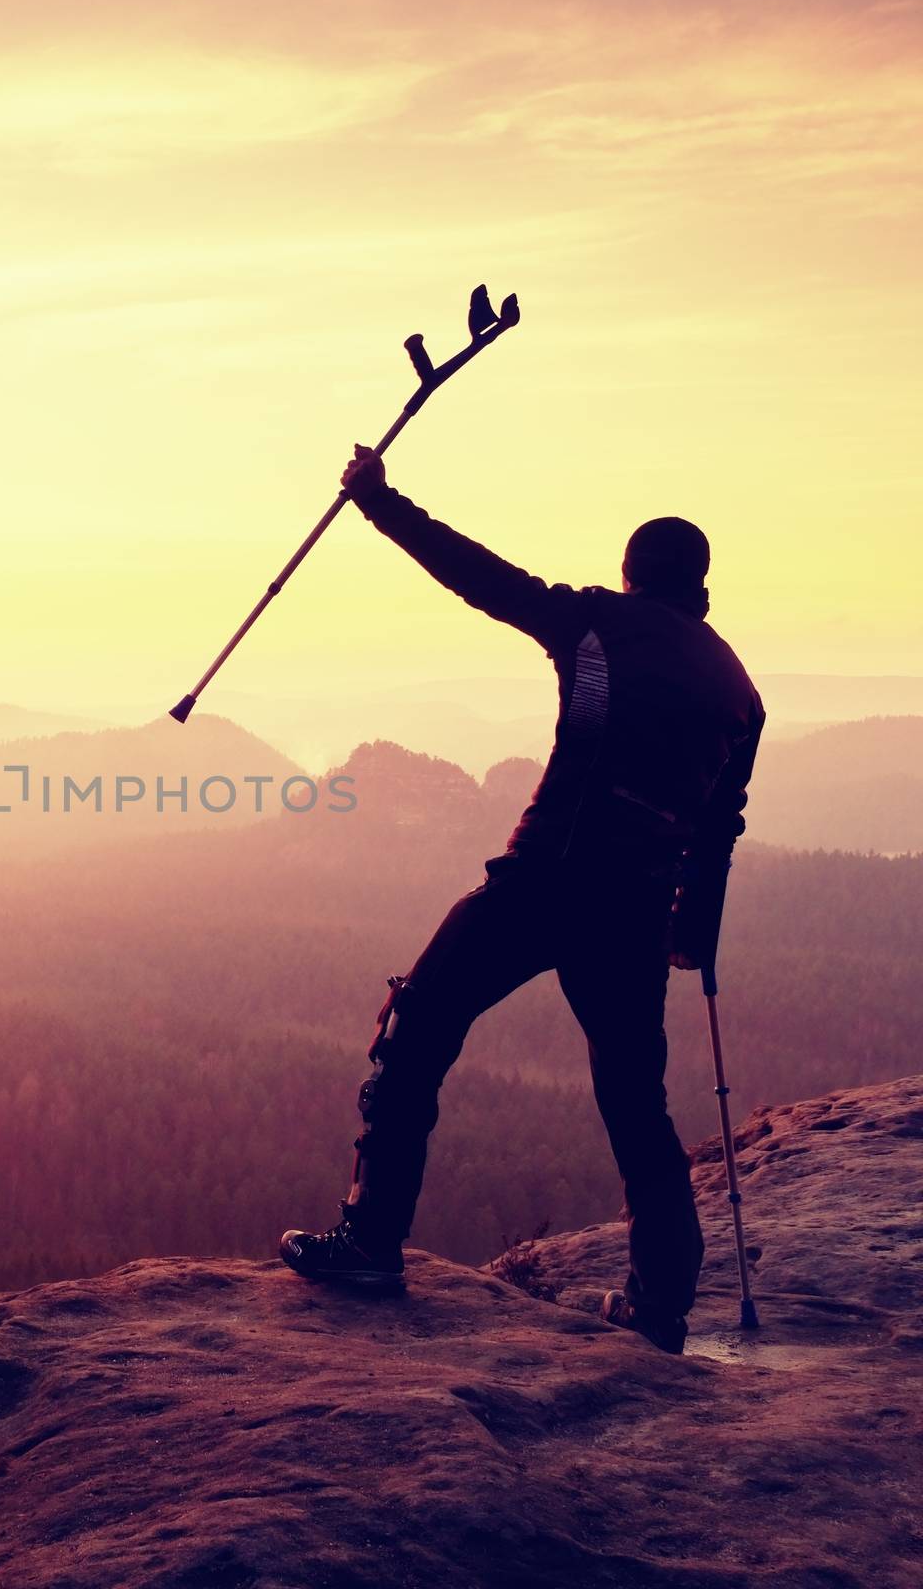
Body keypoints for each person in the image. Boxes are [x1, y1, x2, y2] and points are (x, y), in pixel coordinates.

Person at [279, 445, 765, 1356]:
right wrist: (692, 929)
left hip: (546, 878)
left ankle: (371, 1241)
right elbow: (720, 826)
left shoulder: (594, 626)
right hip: (637, 907)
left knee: (418, 1027)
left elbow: (480, 577)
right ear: (701, 585)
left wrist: (379, 503)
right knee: (636, 1103)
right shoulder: (742, 689)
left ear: (631, 575)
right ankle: (659, 1306)